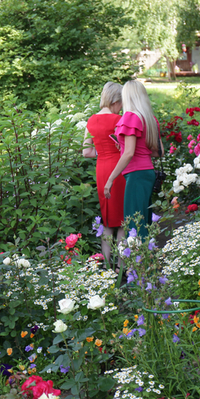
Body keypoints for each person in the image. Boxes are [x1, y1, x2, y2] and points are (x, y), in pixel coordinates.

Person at [103, 80, 160, 239]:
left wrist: (110, 179)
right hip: (147, 173)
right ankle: (145, 260)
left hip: (135, 174)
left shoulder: (130, 117)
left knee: (134, 224)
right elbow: (156, 152)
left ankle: (137, 263)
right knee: (144, 221)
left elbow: (128, 153)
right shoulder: (150, 119)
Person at [83, 82, 126, 266]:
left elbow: (87, 152)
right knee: (123, 220)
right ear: (116, 101)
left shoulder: (91, 120)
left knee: (108, 221)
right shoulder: (119, 120)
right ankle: (122, 267)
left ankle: (107, 266)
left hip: (102, 170)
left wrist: (103, 152)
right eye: (121, 102)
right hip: (119, 170)